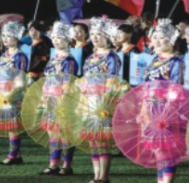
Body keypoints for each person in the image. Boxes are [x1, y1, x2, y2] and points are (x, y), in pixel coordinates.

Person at [143, 19, 185, 183]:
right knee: (157, 148)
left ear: (172, 40)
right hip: (151, 108)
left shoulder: (176, 62)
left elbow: (176, 88)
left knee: (166, 148)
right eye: (155, 37)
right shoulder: (153, 60)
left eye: (162, 37)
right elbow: (145, 87)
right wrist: (143, 109)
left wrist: (167, 112)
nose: (158, 41)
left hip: (167, 110)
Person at [83, 16, 122, 183]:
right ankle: (96, 175)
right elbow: (85, 78)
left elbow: (113, 81)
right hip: (89, 101)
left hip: (103, 102)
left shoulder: (112, 57)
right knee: (93, 139)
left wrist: (104, 99)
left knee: (102, 139)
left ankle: (104, 176)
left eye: (99, 34)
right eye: (93, 33)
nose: (95, 37)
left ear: (107, 36)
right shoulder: (90, 57)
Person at [39, 21, 79, 176]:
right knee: (52, 132)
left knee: (65, 132)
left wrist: (61, 101)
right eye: (54, 37)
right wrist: (44, 96)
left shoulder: (69, 60)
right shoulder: (54, 58)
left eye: (59, 38)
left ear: (68, 39)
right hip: (50, 98)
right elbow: (47, 78)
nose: (55, 40)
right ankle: (53, 164)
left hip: (62, 99)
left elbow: (68, 82)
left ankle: (67, 165)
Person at [0, 21, 29, 165]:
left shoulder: (20, 56)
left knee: (13, 125)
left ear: (16, 37)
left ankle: (13, 155)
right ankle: (17, 154)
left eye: (8, 36)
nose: (5, 38)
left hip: (13, 94)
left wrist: (12, 93)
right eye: (3, 35)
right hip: (2, 93)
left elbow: (21, 77)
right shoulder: (4, 55)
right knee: (9, 124)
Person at [27, 20, 51, 84]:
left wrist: (27, 69)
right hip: (29, 74)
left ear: (40, 32)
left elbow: (37, 61)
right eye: (31, 30)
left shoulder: (41, 46)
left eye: (36, 30)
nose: (33, 32)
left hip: (36, 76)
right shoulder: (30, 44)